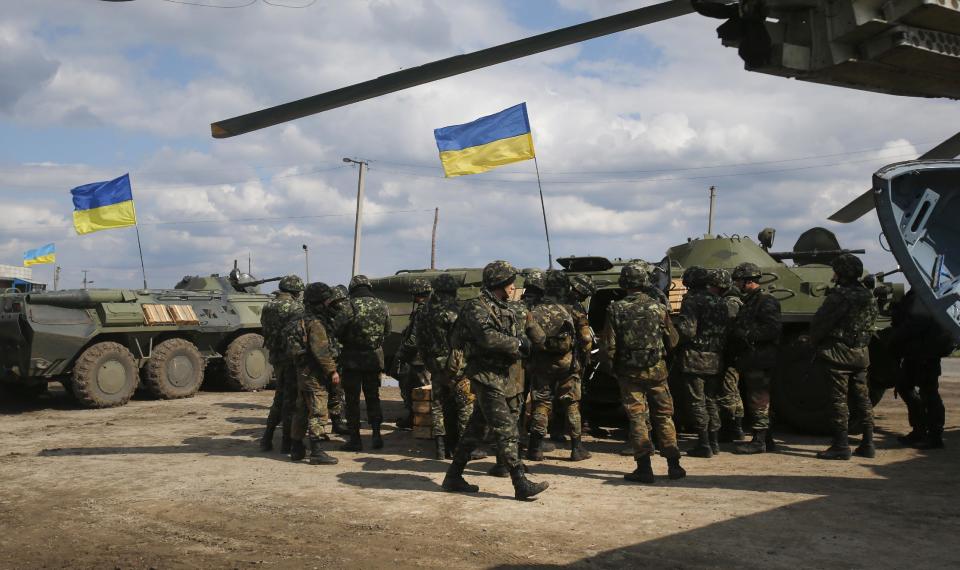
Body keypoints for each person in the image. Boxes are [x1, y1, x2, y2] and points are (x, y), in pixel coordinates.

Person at [441, 260, 549, 501]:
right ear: (500, 283)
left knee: (475, 429)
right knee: (506, 429)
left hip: (499, 375)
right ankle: (520, 482)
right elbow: (488, 338)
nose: (513, 287)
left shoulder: (506, 307)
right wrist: (520, 344)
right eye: (510, 282)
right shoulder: (476, 307)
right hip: (485, 375)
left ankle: (453, 476)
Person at [602, 263, 686, 483]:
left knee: (638, 418)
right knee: (664, 417)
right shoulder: (658, 307)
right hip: (657, 371)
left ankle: (644, 468)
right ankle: (674, 466)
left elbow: (609, 346)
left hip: (629, 375)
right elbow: (673, 340)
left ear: (624, 283)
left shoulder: (615, 309)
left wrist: (611, 369)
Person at [811, 253, 879, 460]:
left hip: (839, 356)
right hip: (861, 354)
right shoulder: (869, 295)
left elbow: (820, 323)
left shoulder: (839, 297)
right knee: (863, 399)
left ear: (842, 273)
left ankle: (841, 446)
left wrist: (814, 342)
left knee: (838, 401)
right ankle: (868, 444)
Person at [526, 270, 592, 462]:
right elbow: (586, 339)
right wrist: (583, 358)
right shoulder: (573, 308)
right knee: (571, 403)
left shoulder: (533, 308)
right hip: (568, 365)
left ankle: (535, 448)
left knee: (541, 404)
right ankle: (576, 449)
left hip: (541, 365)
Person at [417, 273, 475, 459]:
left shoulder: (424, 311)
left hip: (434, 365)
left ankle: (441, 447)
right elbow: (463, 341)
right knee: (464, 406)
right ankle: (464, 449)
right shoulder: (456, 310)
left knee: (439, 405)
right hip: (456, 368)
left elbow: (420, 342)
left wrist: (430, 364)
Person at [675, 265, 729, 458]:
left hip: (695, 358)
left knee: (697, 402)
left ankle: (703, 444)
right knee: (712, 400)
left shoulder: (692, 301)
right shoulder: (720, 301)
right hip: (715, 357)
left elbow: (687, 331)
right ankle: (714, 443)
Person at [729, 262, 782, 454]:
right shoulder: (751, 300)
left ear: (748, 281)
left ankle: (759, 441)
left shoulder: (765, 301)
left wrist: (746, 334)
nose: (736, 284)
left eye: (738, 280)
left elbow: (772, 329)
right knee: (759, 397)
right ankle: (766, 438)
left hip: (761, 357)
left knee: (758, 399)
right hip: (753, 357)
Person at [890, 290, 953, 450]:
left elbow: (916, 323)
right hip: (916, 351)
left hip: (925, 352)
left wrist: (895, 338)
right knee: (905, 386)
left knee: (929, 393)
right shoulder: (920, 292)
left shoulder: (927, 295)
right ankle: (920, 429)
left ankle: (934, 435)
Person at [288, 282, 341, 465]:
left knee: (302, 409)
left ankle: (296, 447)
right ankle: (317, 451)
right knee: (318, 410)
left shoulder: (300, 318)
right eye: (327, 300)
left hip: (302, 370)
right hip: (314, 372)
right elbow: (321, 351)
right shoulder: (316, 323)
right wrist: (332, 371)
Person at [338, 275, 392, 452]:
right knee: (373, 397)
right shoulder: (383, 305)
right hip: (373, 358)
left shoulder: (347, 305)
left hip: (351, 359)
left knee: (352, 401)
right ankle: (376, 435)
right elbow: (387, 331)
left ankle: (355, 440)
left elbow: (337, 330)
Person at [258, 275, 304, 453]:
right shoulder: (295, 307)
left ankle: (267, 438)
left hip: (276, 356)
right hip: (291, 358)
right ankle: (286, 442)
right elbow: (299, 333)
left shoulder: (268, 305)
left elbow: (264, 327)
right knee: (290, 400)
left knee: (279, 396)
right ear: (295, 291)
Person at [712, 268, 746, 443]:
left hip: (729, 353)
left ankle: (732, 427)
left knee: (728, 390)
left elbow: (726, 327)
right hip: (732, 352)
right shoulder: (731, 299)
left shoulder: (730, 303)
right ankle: (737, 428)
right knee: (732, 390)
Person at [395, 278, 433, 430]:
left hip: (417, 359)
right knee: (416, 390)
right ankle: (414, 419)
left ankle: (422, 422)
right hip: (423, 357)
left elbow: (414, 339)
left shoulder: (422, 310)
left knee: (417, 391)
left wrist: (401, 353)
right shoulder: (430, 308)